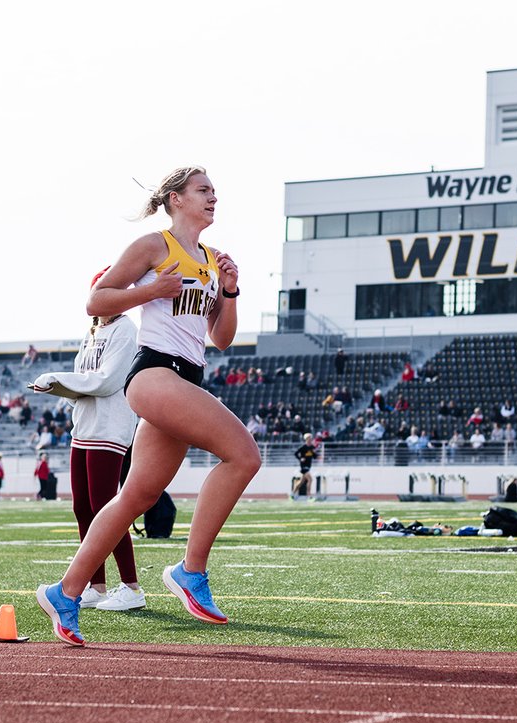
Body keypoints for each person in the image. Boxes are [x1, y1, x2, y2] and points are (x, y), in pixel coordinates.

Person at [36, 166, 260, 645]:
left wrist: (231, 290)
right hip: (155, 373)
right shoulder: (153, 246)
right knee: (244, 456)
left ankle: (65, 592)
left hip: (186, 375)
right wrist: (152, 290)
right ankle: (190, 570)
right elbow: (97, 301)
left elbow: (221, 338)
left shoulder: (210, 259)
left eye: (215, 192)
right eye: (204, 190)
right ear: (176, 198)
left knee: (135, 496)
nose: (213, 198)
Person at [32, 284, 145, 612]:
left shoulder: (126, 329)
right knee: (82, 506)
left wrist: (60, 379)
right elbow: (84, 378)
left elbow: (107, 380)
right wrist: (59, 388)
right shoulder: (94, 330)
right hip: (83, 426)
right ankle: (96, 585)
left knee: (107, 507)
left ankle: (131, 586)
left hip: (110, 427)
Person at [294, 432, 317, 497]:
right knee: (310, 479)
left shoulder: (312, 447)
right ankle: (309, 496)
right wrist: (300, 458)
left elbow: (314, 456)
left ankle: (292, 494)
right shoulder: (303, 447)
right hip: (303, 466)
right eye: (309, 438)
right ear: (306, 439)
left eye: (311, 438)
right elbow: (295, 453)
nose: (310, 439)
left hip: (309, 466)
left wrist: (317, 456)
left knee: (301, 482)